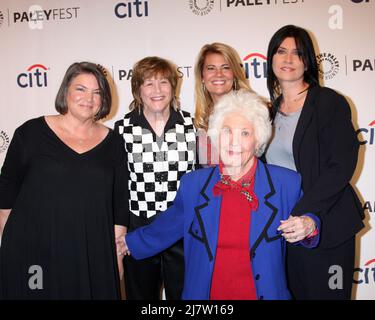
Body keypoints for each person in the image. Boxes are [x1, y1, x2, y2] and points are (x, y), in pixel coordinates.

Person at [117, 90, 319, 300]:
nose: (234, 142)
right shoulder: (193, 184)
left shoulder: (286, 183)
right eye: (227, 131)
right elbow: (167, 227)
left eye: (245, 133)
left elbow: (309, 220)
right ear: (215, 135)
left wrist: (309, 225)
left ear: (258, 139)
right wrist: (126, 244)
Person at [0, 62, 127, 299]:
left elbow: (119, 205)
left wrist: (117, 256)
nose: (88, 98)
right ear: (65, 91)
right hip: (34, 253)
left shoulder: (114, 143)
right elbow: (6, 197)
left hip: (91, 254)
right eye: (80, 89)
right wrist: (10, 251)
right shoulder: (30, 133)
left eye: (96, 92)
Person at [265, 25, 365, 300]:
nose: (288, 59)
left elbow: (341, 166)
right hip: (287, 230)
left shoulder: (328, 102)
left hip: (327, 225)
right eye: (281, 51)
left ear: (307, 60)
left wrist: (306, 213)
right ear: (270, 57)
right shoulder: (268, 112)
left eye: (297, 53)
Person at [114, 56, 196, 300]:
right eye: (149, 83)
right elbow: (117, 186)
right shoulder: (121, 130)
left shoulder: (194, 126)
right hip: (139, 230)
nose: (157, 90)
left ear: (174, 86)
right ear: (138, 89)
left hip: (183, 231)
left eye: (163, 82)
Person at [194, 42, 251, 165]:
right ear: (202, 77)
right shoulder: (200, 120)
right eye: (211, 68)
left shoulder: (253, 112)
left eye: (225, 67)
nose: (218, 74)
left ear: (234, 74)